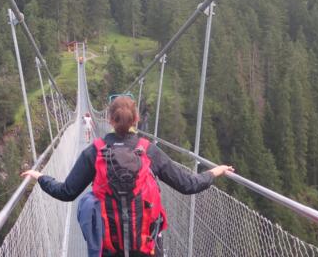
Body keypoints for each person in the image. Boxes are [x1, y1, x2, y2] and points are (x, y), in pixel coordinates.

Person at [21, 96, 234, 257]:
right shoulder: (149, 151)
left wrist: (40, 177)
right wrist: (215, 171)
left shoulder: (94, 152)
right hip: (146, 246)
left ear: (109, 119)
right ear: (137, 120)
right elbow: (188, 185)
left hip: (108, 247)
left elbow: (66, 192)